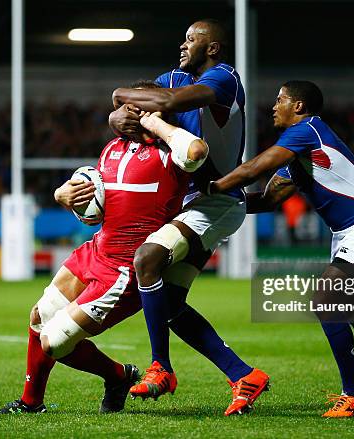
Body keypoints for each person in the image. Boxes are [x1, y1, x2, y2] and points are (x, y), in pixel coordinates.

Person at [0, 80, 210, 415]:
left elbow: (197, 152)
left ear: (151, 112)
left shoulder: (171, 154)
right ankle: (30, 402)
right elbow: (92, 210)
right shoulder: (112, 149)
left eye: (133, 108)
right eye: (123, 107)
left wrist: (158, 123)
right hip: (95, 252)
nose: (123, 114)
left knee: (52, 342)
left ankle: (117, 376)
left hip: (125, 273)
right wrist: (62, 195)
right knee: (39, 317)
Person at [208, 80, 354, 418]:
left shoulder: (308, 131)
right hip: (350, 232)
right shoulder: (299, 154)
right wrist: (217, 204)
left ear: (298, 106)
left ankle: (353, 394)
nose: (274, 106)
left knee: (328, 300)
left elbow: (253, 169)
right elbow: (269, 200)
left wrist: (211, 187)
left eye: (280, 99)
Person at [109, 19, 269, 415]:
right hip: (194, 201)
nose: (183, 45)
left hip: (217, 201)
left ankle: (160, 367)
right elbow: (140, 106)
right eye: (182, 38)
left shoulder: (224, 78)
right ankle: (243, 375)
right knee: (170, 303)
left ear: (212, 47)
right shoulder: (173, 76)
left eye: (191, 39)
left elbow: (162, 104)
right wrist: (117, 118)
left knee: (147, 259)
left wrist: (116, 95)